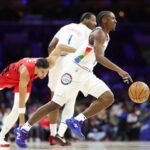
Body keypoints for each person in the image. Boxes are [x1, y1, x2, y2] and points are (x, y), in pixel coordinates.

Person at [14, 10, 133, 148]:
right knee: (55, 104)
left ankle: (77, 120)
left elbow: (90, 56)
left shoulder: (106, 36)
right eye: (113, 18)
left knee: (108, 97)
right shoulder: (98, 33)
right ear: (105, 20)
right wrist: (120, 71)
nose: (116, 21)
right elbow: (100, 57)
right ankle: (23, 129)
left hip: (86, 73)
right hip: (74, 71)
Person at [47, 12, 96, 145]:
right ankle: (60, 135)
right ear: (85, 19)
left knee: (54, 100)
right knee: (70, 99)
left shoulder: (66, 27)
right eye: (93, 21)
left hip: (55, 59)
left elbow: (51, 46)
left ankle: (52, 135)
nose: (95, 24)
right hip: (71, 61)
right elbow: (89, 51)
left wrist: (52, 60)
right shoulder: (90, 33)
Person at [0, 57, 49, 147]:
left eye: (46, 72)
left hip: (26, 81)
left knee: (15, 112)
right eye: (42, 71)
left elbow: (58, 50)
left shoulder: (46, 63)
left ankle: (1, 137)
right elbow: (21, 101)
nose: (44, 75)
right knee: (19, 108)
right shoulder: (25, 72)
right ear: (37, 67)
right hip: (10, 75)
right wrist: (21, 123)